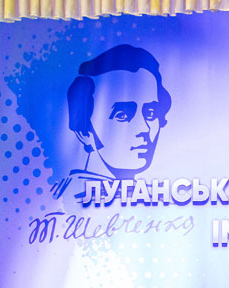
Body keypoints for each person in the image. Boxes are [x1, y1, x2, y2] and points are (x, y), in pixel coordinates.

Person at [52, 44, 172, 202]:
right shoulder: (66, 205)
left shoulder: (158, 200)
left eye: (150, 113)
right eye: (122, 116)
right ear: (83, 132)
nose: (144, 129)